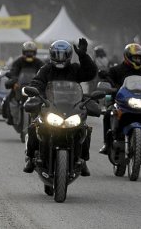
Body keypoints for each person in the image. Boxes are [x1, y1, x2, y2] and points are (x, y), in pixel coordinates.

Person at [23, 38, 97, 176]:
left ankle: (82, 159)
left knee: (84, 129)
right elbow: (37, 82)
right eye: (57, 54)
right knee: (34, 126)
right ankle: (31, 158)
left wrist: (83, 55)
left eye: (63, 55)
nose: (60, 58)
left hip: (72, 107)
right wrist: (35, 91)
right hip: (50, 106)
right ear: (52, 55)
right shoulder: (45, 69)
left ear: (69, 55)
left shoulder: (75, 69)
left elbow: (90, 73)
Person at [99, 43, 141, 154]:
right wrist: (109, 86)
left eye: (139, 58)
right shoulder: (116, 70)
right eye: (135, 57)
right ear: (128, 56)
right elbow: (107, 81)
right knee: (108, 114)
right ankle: (107, 144)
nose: (137, 60)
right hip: (119, 102)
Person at [3, 41, 44, 125]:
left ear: (35, 52)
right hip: (20, 87)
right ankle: (10, 117)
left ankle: (44, 120)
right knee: (9, 98)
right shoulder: (18, 62)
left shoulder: (39, 63)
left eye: (31, 52)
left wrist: (43, 84)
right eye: (27, 52)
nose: (29, 54)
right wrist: (14, 82)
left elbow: (43, 74)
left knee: (45, 99)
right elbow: (13, 72)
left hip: (34, 87)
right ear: (23, 52)